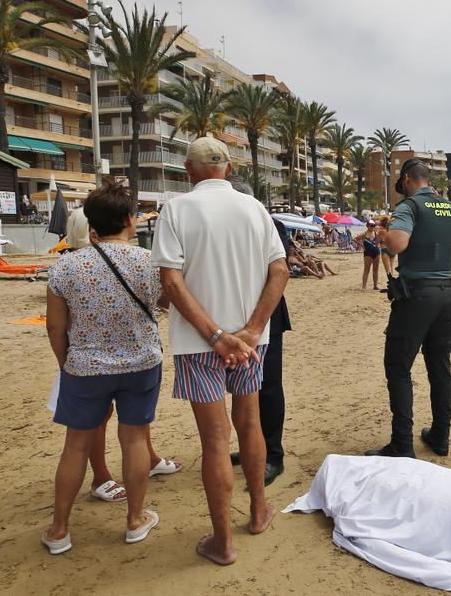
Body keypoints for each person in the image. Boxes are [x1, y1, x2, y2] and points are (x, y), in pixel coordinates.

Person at [151, 136, 289, 565]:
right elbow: (280, 271)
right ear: (228, 168)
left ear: (188, 170)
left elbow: (171, 283)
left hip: (198, 344)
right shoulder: (255, 209)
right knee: (249, 424)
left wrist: (214, 336)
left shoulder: (176, 209)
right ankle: (259, 510)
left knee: (214, 440)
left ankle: (223, 541)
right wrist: (250, 330)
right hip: (249, 344)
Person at [42, 182, 168, 555]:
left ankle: (60, 529)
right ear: (130, 220)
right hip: (141, 363)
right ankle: (135, 519)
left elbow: (55, 326)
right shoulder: (149, 262)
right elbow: (166, 304)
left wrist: (67, 364)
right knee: (134, 439)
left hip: (84, 366)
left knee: (75, 446)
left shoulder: (65, 267)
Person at [366, 158, 451, 459]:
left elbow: (397, 243)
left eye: (404, 185)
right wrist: (438, 241)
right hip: (446, 295)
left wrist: (384, 236)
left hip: (417, 295)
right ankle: (440, 437)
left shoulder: (409, 207)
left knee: (398, 367)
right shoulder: (448, 206)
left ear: (410, 179)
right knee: (439, 366)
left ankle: (402, 445)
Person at [230, 219, 293, 487]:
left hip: (266, 315)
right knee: (241, 387)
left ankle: (273, 455)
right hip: (232, 313)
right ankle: (251, 445)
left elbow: (280, 270)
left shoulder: (271, 224)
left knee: (267, 385)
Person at [360, 221, 381, 290]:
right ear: (367, 226)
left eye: (373, 225)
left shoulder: (376, 233)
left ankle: (375, 285)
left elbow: (379, 241)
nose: (372, 227)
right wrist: (362, 246)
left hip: (376, 252)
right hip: (368, 253)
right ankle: (364, 286)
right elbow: (355, 239)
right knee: (367, 269)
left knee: (376, 269)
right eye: (371, 226)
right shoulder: (364, 234)